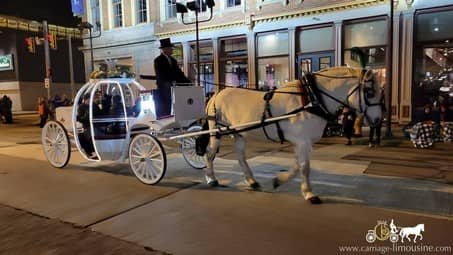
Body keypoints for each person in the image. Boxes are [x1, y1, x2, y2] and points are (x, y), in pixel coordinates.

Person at [154, 38, 191, 118]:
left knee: (183, 88)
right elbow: (161, 76)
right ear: (165, 49)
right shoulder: (158, 61)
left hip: (173, 86)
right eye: (170, 48)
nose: (172, 50)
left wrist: (188, 82)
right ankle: (169, 113)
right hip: (164, 87)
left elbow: (179, 74)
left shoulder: (173, 60)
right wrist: (172, 81)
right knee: (168, 88)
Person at [77, 93, 97, 159]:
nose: (90, 101)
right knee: (90, 135)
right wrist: (86, 115)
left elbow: (99, 113)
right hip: (87, 126)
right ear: (86, 99)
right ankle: (92, 151)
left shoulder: (93, 105)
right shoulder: (81, 107)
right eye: (89, 99)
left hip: (95, 124)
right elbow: (80, 119)